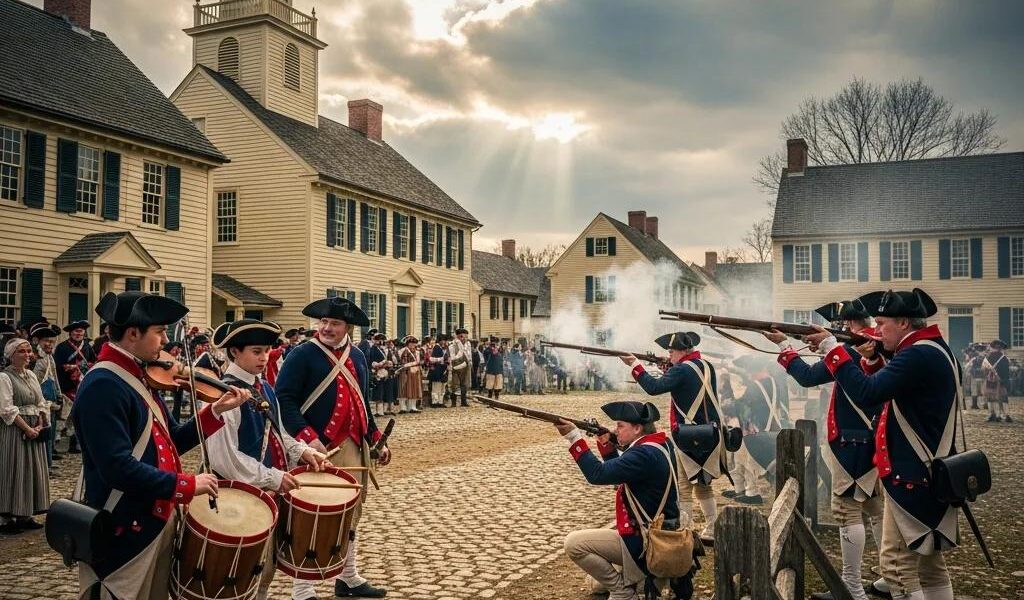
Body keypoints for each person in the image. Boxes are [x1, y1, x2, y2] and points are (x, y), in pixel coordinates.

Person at [72, 291, 251, 600]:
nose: (166, 341)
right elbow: (117, 468)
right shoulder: (104, 384)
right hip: (123, 528)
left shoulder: (140, 376)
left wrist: (214, 412)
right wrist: (185, 484)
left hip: (153, 519)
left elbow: (170, 443)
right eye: (159, 332)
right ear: (132, 333)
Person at [803, 288, 959, 600]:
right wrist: (872, 356)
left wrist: (834, 349)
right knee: (929, 566)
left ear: (903, 322)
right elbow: (889, 384)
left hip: (913, 475)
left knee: (897, 567)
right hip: (927, 471)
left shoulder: (917, 354)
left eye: (883, 322)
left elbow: (868, 393)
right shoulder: (931, 349)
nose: (877, 329)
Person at [767, 300, 888, 600]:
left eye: (842, 325)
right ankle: (890, 574)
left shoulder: (850, 350)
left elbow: (808, 378)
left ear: (849, 325)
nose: (839, 330)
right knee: (874, 509)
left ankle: (852, 586)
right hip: (872, 441)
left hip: (850, 444)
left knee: (846, 511)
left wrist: (785, 345)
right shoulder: (880, 347)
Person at [274, 296, 390, 599]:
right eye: (323, 322)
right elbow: (283, 400)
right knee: (309, 514)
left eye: (334, 323)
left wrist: (375, 437)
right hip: (315, 447)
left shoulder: (359, 357)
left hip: (353, 445)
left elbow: (363, 402)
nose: (326, 327)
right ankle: (303, 589)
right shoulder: (301, 355)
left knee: (352, 511)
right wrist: (306, 436)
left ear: (346, 326)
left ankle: (348, 577)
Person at [205, 318, 330, 600]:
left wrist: (302, 451)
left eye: (266, 351)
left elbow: (278, 431)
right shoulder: (224, 394)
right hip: (235, 500)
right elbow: (225, 459)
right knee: (238, 575)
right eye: (256, 351)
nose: (264, 358)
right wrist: (273, 476)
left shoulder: (264, 387)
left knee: (264, 569)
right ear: (234, 352)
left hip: (264, 494)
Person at [557, 400, 690, 600]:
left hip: (646, 540)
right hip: (660, 533)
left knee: (574, 544)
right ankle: (633, 581)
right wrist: (608, 445)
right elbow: (622, 474)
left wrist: (574, 437)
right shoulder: (660, 443)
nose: (615, 430)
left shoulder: (642, 453)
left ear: (637, 428)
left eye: (620, 425)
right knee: (595, 584)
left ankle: (623, 592)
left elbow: (597, 474)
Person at [621, 332, 724, 542]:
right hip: (708, 433)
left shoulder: (682, 370)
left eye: (671, 351)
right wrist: (668, 370)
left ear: (683, 351)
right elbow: (687, 385)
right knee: (703, 483)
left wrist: (635, 365)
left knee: (684, 486)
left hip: (688, 436)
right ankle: (712, 527)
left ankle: (684, 531)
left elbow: (653, 388)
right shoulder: (705, 366)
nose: (669, 354)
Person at [0, 338, 51, 533]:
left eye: (29, 351)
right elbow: (6, 409)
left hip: (33, 428)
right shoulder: (4, 377)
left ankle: (25, 513)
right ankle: (6, 517)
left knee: (31, 470)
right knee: (13, 469)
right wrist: (26, 428)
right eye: (22, 351)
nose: (27, 355)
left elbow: (40, 401)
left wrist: (39, 423)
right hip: (14, 430)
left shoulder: (30, 375)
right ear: (11, 355)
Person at [54, 319, 96, 454]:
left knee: (76, 416)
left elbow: (93, 362)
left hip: (81, 385)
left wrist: (79, 367)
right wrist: (68, 368)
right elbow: (57, 366)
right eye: (75, 331)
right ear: (70, 333)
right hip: (66, 386)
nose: (78, 333)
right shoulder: (62, 347)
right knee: (62, 416)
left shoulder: (87, 347)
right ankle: (54, 446)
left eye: (81, 331)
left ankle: (75, 444)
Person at [30, 322, 65, 470]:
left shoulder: (50, 357)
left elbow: (54, 377)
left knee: (50, 433)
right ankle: (43, 466)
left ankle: (48, 462)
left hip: (51, 401)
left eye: (52, 342)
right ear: (38, 341)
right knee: (43, 434)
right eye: (47, 341)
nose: (50, 344)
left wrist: (58, 393)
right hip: (40, 401)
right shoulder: (34, 359)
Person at [982, 339, 1010, 422]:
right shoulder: (1004, 358)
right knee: (1003, 398)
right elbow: (1006, 371)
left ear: (992, 347)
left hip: (991, 380)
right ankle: (1006, 415)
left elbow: (984, 369)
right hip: (1002, 380)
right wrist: (1005, 380)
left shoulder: (988, 356)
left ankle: (993, 414)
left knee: (991, 398)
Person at [366, 332, 391, 416]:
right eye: (379, 340)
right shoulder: (373, 349)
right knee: (377, 391)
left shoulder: (381, 349)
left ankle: (380, 410)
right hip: (377, 372)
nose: (381, 342)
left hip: (383, 371)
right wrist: (382, 363)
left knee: (382, 390)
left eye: (381, 340)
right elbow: (372, 361)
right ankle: (376, 411)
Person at [447, 328, 473, 407]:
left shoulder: (468, 344)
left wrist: (470, 362)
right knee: (454, 384)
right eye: (462, 336)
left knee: (465, 384)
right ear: (458, 336)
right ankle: (453, 402)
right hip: (456, 366)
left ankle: (463, 401)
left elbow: (469, 354)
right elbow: (452, 356)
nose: (464, 338)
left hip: (466, 366)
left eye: (466, 337)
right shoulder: (452, 344)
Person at [397, 336, 422, 414]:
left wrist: (416, 364)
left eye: (414, 343)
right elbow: (402, 363)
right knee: (403, 389)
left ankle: (412, 407)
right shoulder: (403, 351)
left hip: (414, 372)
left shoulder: (417, 352)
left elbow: (418, 361)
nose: (413, 345)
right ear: (407, 344)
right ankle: (403, 407)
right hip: (405, 372)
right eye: (411, 343)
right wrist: (414, 363)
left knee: (413, 389)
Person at [427, 334, 448, 408]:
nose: (444, 342)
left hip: (443, 369)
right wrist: (441, 359)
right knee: (436, 386)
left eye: (445, 340)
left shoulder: (444, 348)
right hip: (437, 369)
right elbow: (431, 359)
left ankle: (440, 401)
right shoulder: (436, 347)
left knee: (442, 386)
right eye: (442, 340)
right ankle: (434, 402)